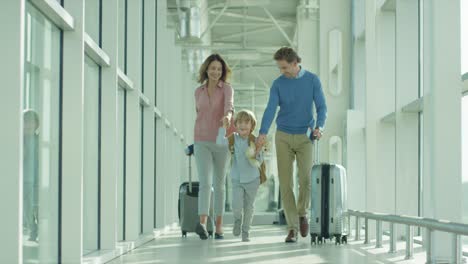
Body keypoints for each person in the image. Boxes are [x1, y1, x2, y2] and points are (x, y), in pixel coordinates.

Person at [256, 47, 327, 243]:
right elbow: (271, 109)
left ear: (296, 63)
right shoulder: (278, 84)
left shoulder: (312, 80)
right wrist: (263, 132)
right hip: (283, 136)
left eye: (285, 67)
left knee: (305, 179)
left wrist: (320, 126)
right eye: (280, 68)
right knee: (285, 183)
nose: (282, 71)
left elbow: (322, 107)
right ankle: (292, 227)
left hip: (306, 136)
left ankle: (302, 212)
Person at [193, 54, 234, 240]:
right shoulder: (198, 91)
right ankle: (202, 223)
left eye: (219, 69)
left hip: (221, 141)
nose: (215, 72)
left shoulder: (227, 89)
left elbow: (229, 107)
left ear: (222, 72)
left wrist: (227, 118)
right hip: (201, 140)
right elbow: (199, 113)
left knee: (219, 184)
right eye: (212, 68)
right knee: (205, 183)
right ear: (206, 69)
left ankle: (218, 226)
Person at [217, 110, 264, 242]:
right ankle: (237, 219)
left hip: (253, 179)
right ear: (236, 125)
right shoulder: (233, 138)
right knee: (236, 205)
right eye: (240, 122)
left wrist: (258, 152)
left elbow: (260, 161)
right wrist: (223, 129)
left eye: (246, 122)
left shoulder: (255, 140)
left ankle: (246, 231)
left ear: (252, 125)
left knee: (249, 207)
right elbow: (220, 144)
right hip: (237, 178)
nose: (243, 125)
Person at [23, 109, 40, 242]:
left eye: (31, 121)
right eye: (26, 121)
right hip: (24, 180)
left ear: (36, 124)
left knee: (39, 206)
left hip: (38, 179)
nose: (28, 124)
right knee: (27, 208)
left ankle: (43, 230)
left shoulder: (39, 140)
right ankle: (32, 230)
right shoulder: (19, 140)